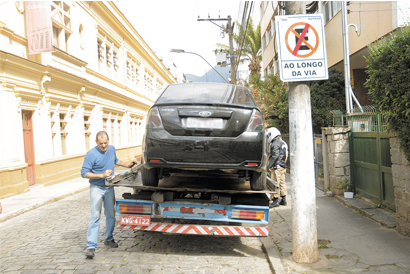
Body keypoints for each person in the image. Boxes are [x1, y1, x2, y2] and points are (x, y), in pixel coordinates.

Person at [81, 131, 136, 259]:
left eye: (106, 142)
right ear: (96, 142)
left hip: (109, 188)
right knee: (95, 216)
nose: (104, 145)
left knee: (111, 215)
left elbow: (115, 160)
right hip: (96, 188)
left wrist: (127, 165)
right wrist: (101, 175)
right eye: (101, 143)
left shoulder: (111, 149)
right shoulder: (91, 154)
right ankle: (91, 246)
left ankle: (108, 238)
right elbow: (84, 173)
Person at [266, 127, 288, 208]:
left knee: (275, 183)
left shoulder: (275, 144)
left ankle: (275, 201)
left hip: (277, 167)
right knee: (282, 183)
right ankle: (284, 200)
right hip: (282, 166)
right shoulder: (282, 142)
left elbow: (274, 156)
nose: (268, 138)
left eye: (268, 136)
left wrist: (269, 165)